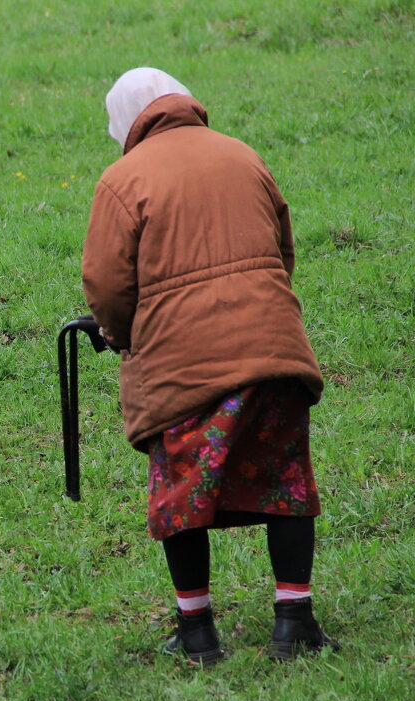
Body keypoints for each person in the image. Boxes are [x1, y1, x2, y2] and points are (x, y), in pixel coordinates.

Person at [80, 67, 338, 665]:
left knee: (180, 489)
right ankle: (293, 621)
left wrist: (122, 336)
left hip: (182, 368)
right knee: (286, 480)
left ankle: (197, 633)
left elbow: (107, 283)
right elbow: (282, 250)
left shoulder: (122, 179)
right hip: (273, 352)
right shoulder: (244, 157)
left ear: (125, 121)